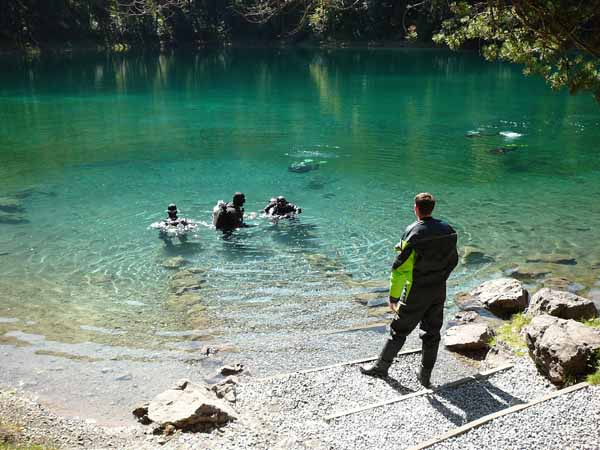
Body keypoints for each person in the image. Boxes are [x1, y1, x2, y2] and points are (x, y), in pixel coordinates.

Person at [360, 193, 458, 387]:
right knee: (432, 332)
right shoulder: (448, 230)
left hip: (416, 290)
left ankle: (381, 368)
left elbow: (400, 269)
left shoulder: (413, 232)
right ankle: (425, 376)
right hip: (438, 289)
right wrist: (441, 278)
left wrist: (394, 296)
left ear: (416, 208)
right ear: (432, 208)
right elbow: (453, 260)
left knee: (399, 329)